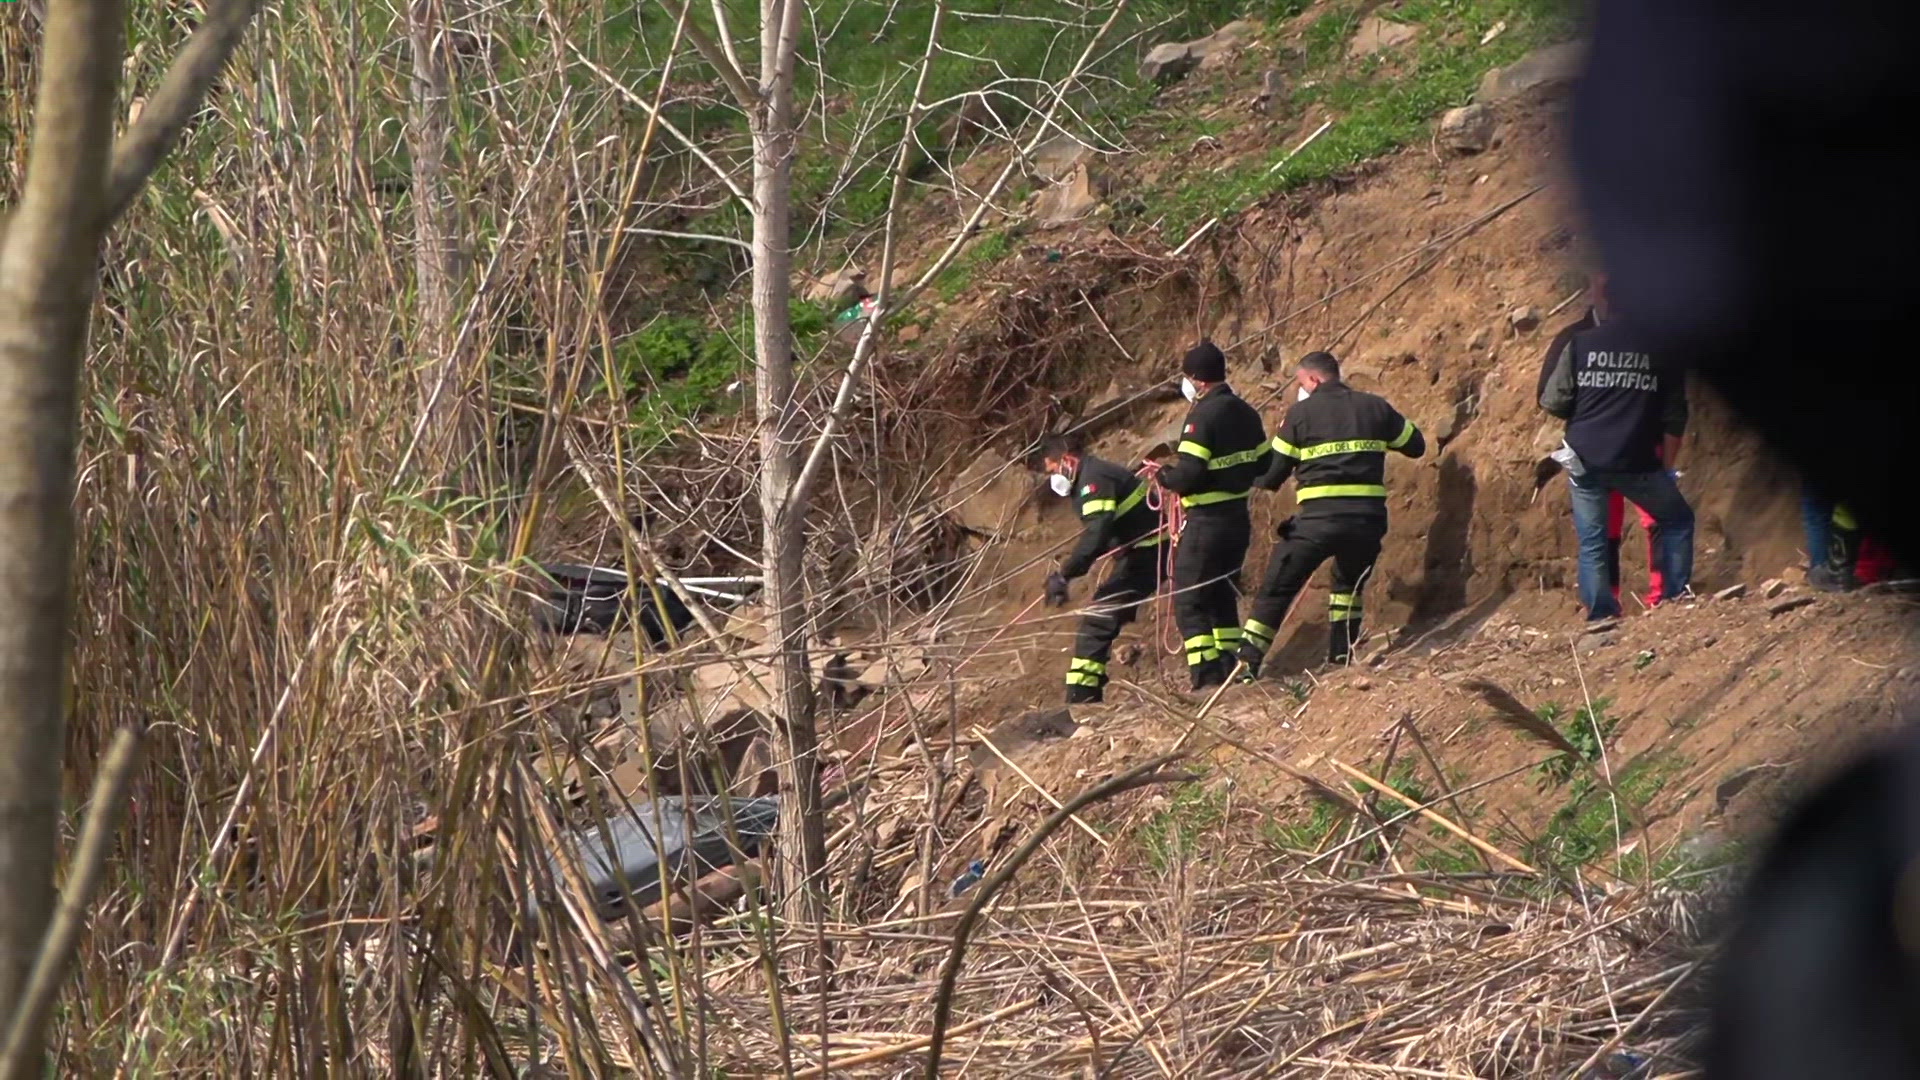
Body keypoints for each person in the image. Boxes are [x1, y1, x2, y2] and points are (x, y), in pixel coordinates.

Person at [1233, 351, 1425, 677]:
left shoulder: (1300, 415)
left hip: (1317, 524)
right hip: (1367, 523)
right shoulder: (1374, 406)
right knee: (1347, 589)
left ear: (1313, 379)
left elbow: (1271, 476)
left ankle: (1245, 666)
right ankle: (1341, 661)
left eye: (1300, 383)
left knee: (1278, 587)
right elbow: (1415, 444)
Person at [1538, 309, 1695, 622]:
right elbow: (1675, 418)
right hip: (1634, 457)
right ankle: (1674, 599)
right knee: (1677, 520)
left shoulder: (1581, 342)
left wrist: (1590, 401)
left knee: (1592, 538)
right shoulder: (1663, 350)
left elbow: (1553, 401)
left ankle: (1601, 615)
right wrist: (1665, 468)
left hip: (1584, 456)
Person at [1537, 270, 1665, 606]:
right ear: (1593, 290)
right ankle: (1606, 606)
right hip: (1593, 446)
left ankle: (1662, 598)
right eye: (1602, 286)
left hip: (1639, 443)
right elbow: (1547, 396)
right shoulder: (1572, 337)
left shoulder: (1649, 338)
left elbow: (1666, 393)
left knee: (1655, 520)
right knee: (1601, 532)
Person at [1155, 341, 1271, 690]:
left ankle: (1206, 676)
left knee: (1189, 600)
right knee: (1221, 595)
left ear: (1197, 380)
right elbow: (1264, 463)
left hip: (1206, 521)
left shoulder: (1201, 416)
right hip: (1237, 520)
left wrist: (1164, 477)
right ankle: (1232, 670)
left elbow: (1189, 474)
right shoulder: (1246, 412)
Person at [1039, 434, 1167, 704]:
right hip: (1144, 548)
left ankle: (1082, 699)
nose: (1053, 478)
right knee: (1100, 615)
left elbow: (1097, 532)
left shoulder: (1092, 479)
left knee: (1096, 620)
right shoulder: (1091, 475)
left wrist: (1065, 574)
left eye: (1052, 469)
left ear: (1067, 460)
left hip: (1153, 549)